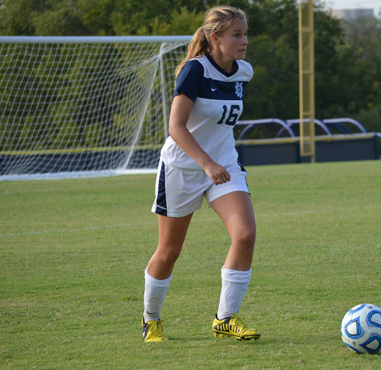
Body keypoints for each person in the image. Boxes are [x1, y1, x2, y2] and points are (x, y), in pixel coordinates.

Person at [142, 5, 260, 342]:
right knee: (169, 252)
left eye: (245, 33)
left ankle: (225, 318)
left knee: (245, 235)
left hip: (224, 166)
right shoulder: (194, 70)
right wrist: (205, 163)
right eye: (237, 34)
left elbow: (219, 124)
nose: (244, 41)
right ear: (214, 37)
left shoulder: (243, 72)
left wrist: (216, 163)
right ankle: (151, 320)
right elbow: (176, 127)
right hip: (182, 168)